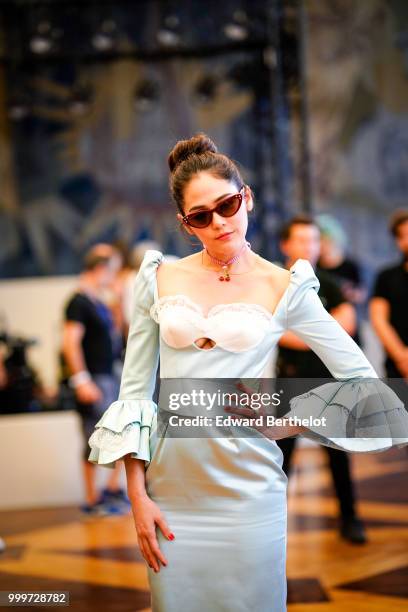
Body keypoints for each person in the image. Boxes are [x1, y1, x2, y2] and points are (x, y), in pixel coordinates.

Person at [88, 134, 407, 612]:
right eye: (201, 215)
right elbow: (134, 392)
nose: (219, 222)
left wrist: (288, 418)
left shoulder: (286, 286)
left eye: (228, 204)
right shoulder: (158, 277)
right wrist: (137, 497)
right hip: (172, 492)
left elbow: (364, 386)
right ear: (186, 223)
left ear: (247, 197)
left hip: (249, 491)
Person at [276, 215, 367, 544]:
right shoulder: (272, 284)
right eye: (300, 240)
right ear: (285, 244)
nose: (307, 246)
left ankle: (350, 519)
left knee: (337, 455)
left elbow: (347, 327)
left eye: (313, 240)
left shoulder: (328, 284)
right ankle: (271, 526)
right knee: (280, 459)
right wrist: (319, 332)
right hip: (285, 384)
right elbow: (267, 331)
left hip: (327, 385)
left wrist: (293, 333)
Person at [61, 243, 128, 516]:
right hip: (95, 378)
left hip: (109, 375)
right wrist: (81, 380)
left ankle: (111, 490)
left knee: (120, 435)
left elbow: (117, 332)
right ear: (101, 269)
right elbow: (70, 342)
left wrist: (119, 300)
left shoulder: (98, 301)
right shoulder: (77, 301)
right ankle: (92, 498)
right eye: (112, 271)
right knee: (95, 439)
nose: (115, 278)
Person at [317, 213, 367, 346]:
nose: (323, 245)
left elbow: (362, 292)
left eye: (327, 240)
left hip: (347, 323)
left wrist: (349, 294)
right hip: (324, 325)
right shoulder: (316, 266)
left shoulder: (350, 265)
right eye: (319, 241)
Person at [370, 210, 408, 379]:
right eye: (404, 235)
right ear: (398, 240)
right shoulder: (386, 277)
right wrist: (402, 358)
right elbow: (379, 319)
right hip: (397, 366)